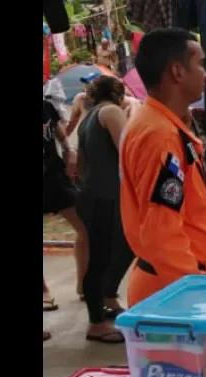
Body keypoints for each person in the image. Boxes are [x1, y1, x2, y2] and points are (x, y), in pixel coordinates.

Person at [120, 28, 206, 307]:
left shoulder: (159, 124)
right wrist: (194, 293)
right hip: (172, 289)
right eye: (200, 64)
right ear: (177, 71)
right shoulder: (160, 136)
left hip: (172, 281)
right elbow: (161, 233)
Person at [76, 76, 135, 343]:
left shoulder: (88, 117)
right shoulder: (111, 112)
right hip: (110, 195)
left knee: (111, 251)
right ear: (117, 94)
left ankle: (107, 300)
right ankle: (96, 324)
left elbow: (79, 164)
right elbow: (129, 151)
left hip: (93, 193)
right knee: (102, 258)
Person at [43, 98, 88, 305]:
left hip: (54, 177)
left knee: (87, 225)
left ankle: (84, 285)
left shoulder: (46, 106)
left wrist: (70, 151)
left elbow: (60, 133)